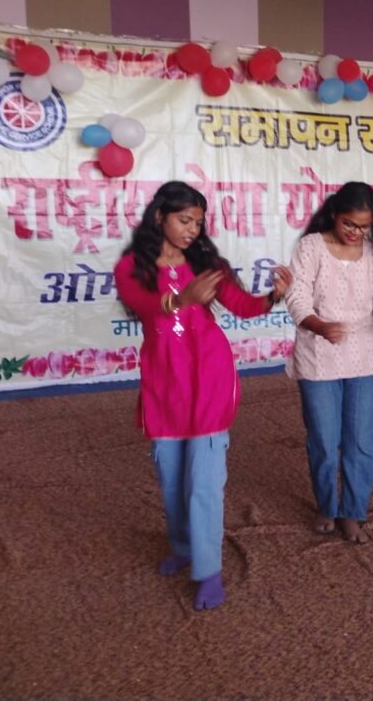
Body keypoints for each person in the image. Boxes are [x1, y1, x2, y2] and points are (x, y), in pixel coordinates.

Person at [114, 181, 291, 611]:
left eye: (198, 221)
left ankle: (209, 570)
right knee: (172, 480)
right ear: (160, 217)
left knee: (205, 483)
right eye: (184, 220)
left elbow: (242, 306)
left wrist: (273, 297)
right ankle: (183, 547)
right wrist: (182, 299)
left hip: (209, 378)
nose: (192, 229)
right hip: (164, 385)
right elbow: (142, 303)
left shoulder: (208, 265)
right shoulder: (132, 266)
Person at [285, 182, 373, 544]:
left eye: (364, 226)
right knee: (323, 439)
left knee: (361, 441)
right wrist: (319, 326)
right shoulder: (311, 247)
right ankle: (326, 506)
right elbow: (296, 297)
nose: (355, 232)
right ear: (334, 214)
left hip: (364, 356)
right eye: (349, 224)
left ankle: (353, 511)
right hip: (318, 355)